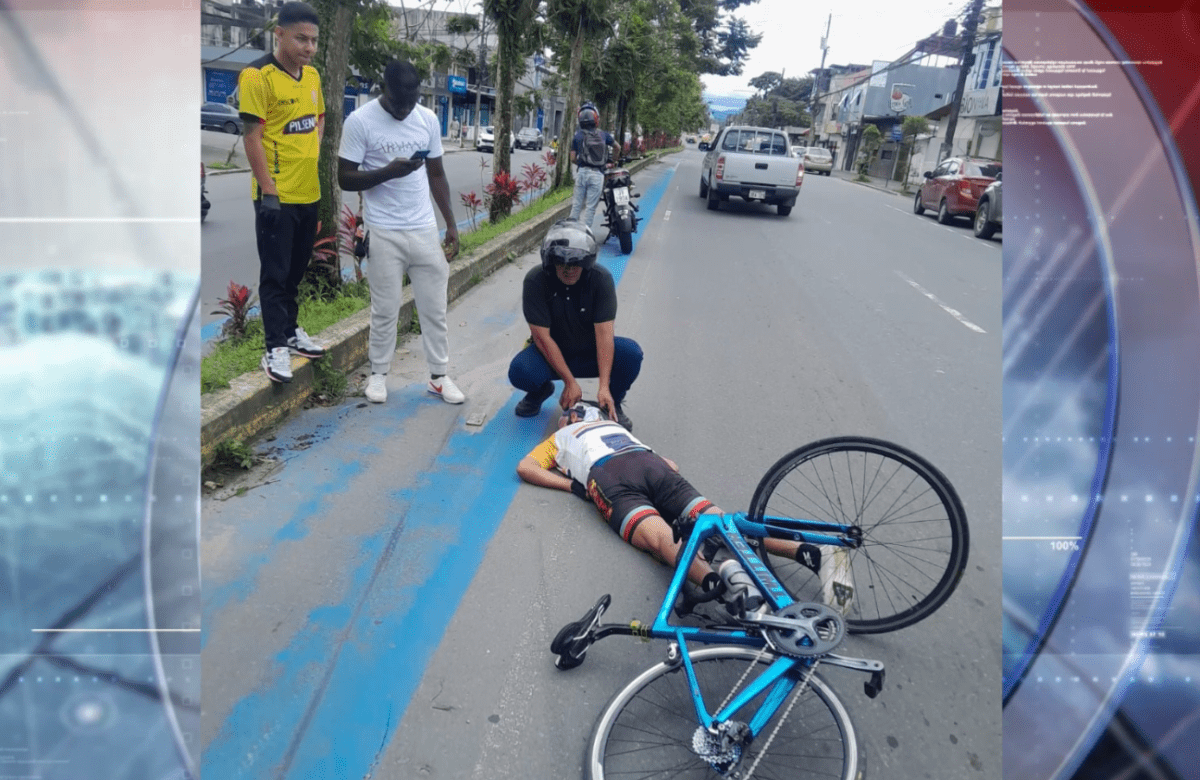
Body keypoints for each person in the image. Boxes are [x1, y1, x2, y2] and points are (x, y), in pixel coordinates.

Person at [516, 403, 775, 613]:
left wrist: (573, 486)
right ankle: (796, 549)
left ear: (572, 417)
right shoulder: (614, 427)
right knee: (720, 520)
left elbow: (525, 467)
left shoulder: (560, 437)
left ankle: (721, 586)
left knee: (660, 538)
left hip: (608, 473)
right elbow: (672, 465)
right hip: (649, 463)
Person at [337, 60, 464, 405]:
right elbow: (345, 177)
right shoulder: (360, 121)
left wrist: (451, 224)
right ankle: (378, 375)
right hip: (383, 230)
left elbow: (436, 174)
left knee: (434, 308)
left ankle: (439, 377)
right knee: (385, 309)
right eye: (398, 103)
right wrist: (388, 172)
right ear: (384, 90)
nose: (406, 109)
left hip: (423, 229)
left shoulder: (427, 119)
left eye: (412, 101)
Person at [238, 1, 327, 384]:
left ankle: (291, 332)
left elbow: (319, 117)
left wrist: (311, 153)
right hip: (276, 197)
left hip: (309, 193)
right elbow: (252, 137)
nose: (309, 47)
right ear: (279, 34)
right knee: (275, 274)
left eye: (314, 40)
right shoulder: (257, 76)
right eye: (301, 39)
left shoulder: (312, 77)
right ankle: (274, 346)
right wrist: (269, 189)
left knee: (295, 271)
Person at [508, 219, 641, 428]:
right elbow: (542, 338)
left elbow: (604, 335)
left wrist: (604, 387)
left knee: (631, 354)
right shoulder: (535, 281)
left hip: (590, 352)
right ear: (550, 262)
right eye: (561, 264)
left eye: (575, 264)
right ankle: (540, 391)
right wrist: (570, 382)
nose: (569, 270)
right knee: (520, 371)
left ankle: (612, 401)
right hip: (552, 354)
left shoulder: (601, 280)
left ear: (587, 262)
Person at [568, 102, 621, 231]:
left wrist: (581, 163)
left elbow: (572, 158)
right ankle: (584, 235)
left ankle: (570, 232)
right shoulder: (604, 135)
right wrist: (614, 161)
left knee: (577, 205)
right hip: (597, 174)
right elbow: (617, 147)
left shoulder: (578, 136)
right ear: (596, 118)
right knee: (590, 208)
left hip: (582, 173)